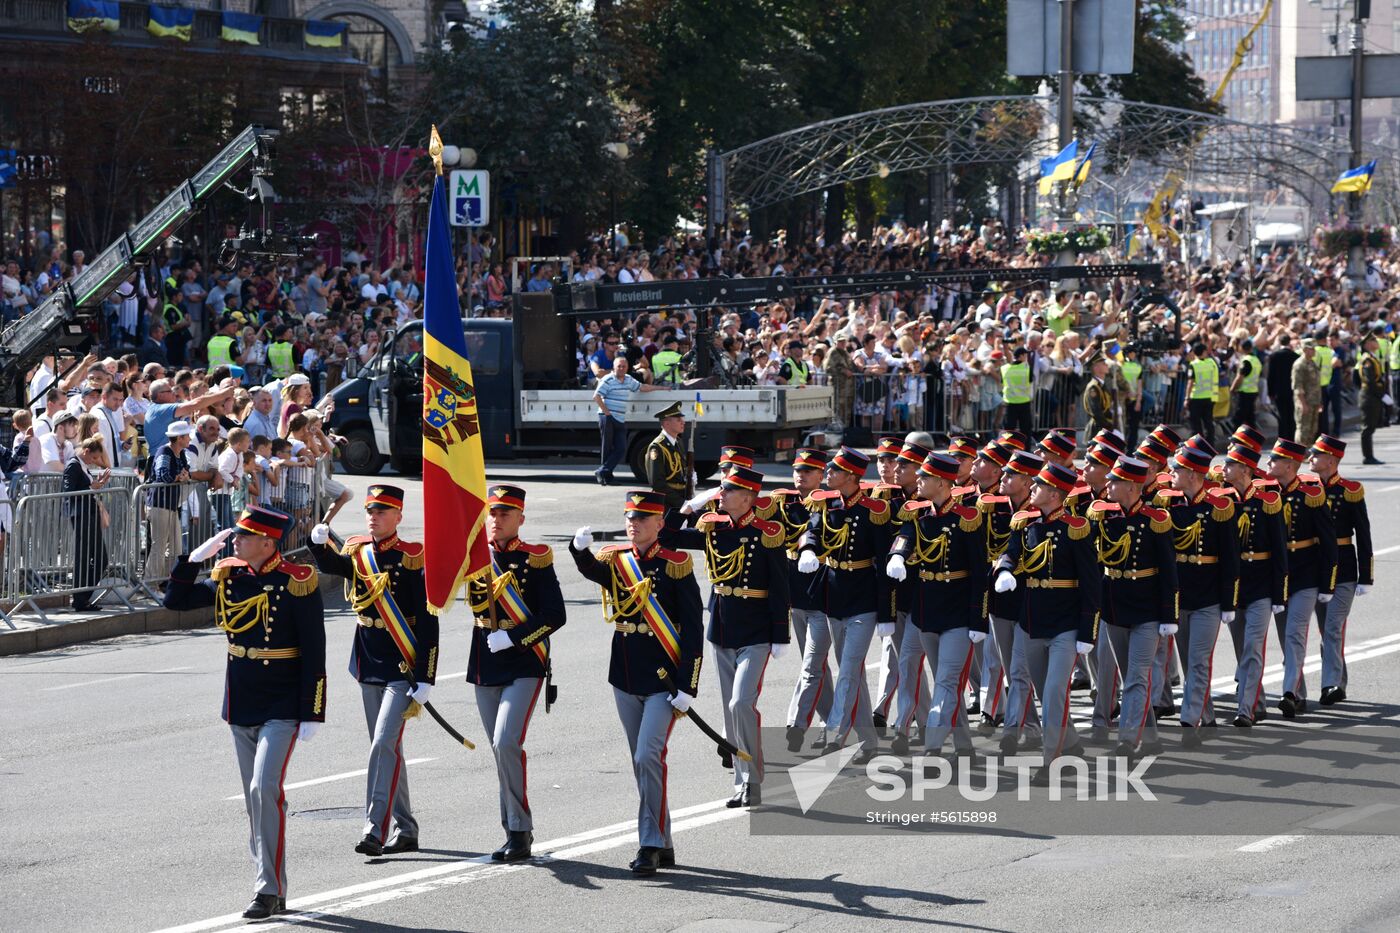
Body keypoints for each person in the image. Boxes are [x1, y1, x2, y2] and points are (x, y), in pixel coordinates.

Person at [163, 506, 325, 921]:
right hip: (243, 698)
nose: (235, 541)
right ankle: (275, 884)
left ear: (268, 542)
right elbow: (175, 602)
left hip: (283, 700)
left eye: (244, 536)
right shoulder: (230, 576)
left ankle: (266, 889)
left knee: (262, 788)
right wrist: (191, 562)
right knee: (258, 802)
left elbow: (314, 649)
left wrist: (313, 710)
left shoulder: (297, 582)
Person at [570, 491, 703, 876]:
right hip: (626, 674)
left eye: (643, 518)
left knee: (648, 756)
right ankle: (665, 841)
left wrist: (688, 684)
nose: (634, 523)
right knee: (642, 761)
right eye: (630, 517)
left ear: (660, 523)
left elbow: (693, 628)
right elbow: (595, 572)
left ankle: (649, 844)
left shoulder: (676, 564)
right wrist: (580, 553)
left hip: (665, 678)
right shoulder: (618, 561)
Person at [308, 485, 437, 858]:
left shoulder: (412, 556)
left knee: (383, 743)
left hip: (402, 662)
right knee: (386, 747)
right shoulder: (357, 551)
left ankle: (374, 829)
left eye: (382, 511)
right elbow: (335, 565)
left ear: (398, 516)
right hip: (368, 657)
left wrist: (427, 673)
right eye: (370, 510)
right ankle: (407, 828)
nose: (374, 516)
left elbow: (427, 620)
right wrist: (319, 545)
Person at [665, 466, 788, 807]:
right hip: (723, 627)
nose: (722, 495)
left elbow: (780, 587)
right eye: (721, 490)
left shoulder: (768, 533)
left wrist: (782, 634)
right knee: (729, 709)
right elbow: (667, 537)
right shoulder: (714, 531)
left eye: (729, 491)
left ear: (748, 497)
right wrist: (688, 508)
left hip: (757, 629)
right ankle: (741, 782)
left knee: (741, 703)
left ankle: (754, 778)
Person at [465, 484, 566, 862]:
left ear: (520, 518)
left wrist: (515, 638)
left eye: (505, 513)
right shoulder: (474, 558)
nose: (496, 519)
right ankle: (511, 829)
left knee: (507, 741)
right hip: (484, 662)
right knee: (498, 749)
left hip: (524, 662)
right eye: (492, 512)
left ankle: (521, 830)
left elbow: (556, 614)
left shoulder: (535, 558)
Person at [992, 462, 1099, 785]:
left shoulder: (1075, 528)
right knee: (1044, 691)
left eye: (1038, 486)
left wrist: (1087, 631)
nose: (1032, 490)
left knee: (1054, 692)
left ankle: (1051, 760)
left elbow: (1091, 584)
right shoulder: (1024, 524)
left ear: (1054, 493)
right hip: (1031, 621)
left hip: (1065, 623)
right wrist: (1005, 570)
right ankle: (1071, 743)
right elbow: (1010, 553)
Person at [885, 452, 989, 756]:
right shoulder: (919, 516)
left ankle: (932, 746)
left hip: (957, 614)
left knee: (946, 680)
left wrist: (979, 620)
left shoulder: (967, 520)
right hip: (925, 613)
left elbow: (979, 573)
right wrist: (897, 556)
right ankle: (963, 744)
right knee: (935, 678)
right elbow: (905, 537)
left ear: (942, 482)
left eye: (925, 477)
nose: (918, 480)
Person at [794, 447, 894, 761]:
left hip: (863, 599)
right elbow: (812, 531)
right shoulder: (827, 504)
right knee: (853, 675)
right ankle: (869, 741)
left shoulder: (874, 510)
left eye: (834, 471)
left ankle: (833, 735)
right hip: (834, 598)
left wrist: (887, 612)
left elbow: (883, 562)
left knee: (849, 670)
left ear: (851, 476)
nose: (827, 475)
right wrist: (809, 549)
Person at [1156, 442, 1239, 746]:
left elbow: (1230, 559)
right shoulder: (1169, 508)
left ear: (1192, 474)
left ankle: (1189, 721)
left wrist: (1229, 602)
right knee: (1191, 663)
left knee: (1200, 661)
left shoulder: (1219, 509)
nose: (1171, 473)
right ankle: (1207, 715)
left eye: (1176, 469)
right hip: (1180, 597)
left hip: (1208, 598)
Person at [1266, 438, 1337, 718]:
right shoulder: (1268, 495)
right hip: (1277, 576)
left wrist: (1328, 582)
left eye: (1274, 460)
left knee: (1295, 633)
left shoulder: (1310, 496)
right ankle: (1301, 694)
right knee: (1286, 638)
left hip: (1305, 574)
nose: (1269, 464)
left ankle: (1289, 693)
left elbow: (1329, 542)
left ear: (1290, 465)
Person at [775, 448, 835, 747]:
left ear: (821, 476)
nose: (801, 475)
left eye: (808, 471)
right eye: (798, 470)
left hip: (823, 596)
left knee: (812, 665)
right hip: (796, 597)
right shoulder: (783, 502)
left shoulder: (832, 505)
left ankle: (796, 724)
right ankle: (832, 721)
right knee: (815, 665)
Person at [1306, 435, 1371, 707]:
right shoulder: (1306, 490)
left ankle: (1330, 683)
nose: (1311, 459)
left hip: (1343, 568)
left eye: (1316, 455)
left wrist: (1366, 575)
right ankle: (1338, 680)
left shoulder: (1349, 491)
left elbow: (1363, 534)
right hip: (1315, 568)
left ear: (1331, 460)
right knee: (1325, 630)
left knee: (1333, 627)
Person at [591, 355, 663, 486]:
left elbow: (643, 387)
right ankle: (606, 476)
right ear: (614, 367)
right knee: (607, 447)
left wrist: (661, 388)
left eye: (624, 366)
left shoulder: (629, 380)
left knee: (621, 448)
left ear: (628, 368)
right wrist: (607, 413)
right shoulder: (608, 379)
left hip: (620, 418)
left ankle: (603, 471)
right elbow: (596, 396)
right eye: (619, 366)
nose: (621, 368)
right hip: (607, 417)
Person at [63, 437, 112, 611]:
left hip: (89, 515)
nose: (94, 461)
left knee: (100, 558)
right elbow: (68, 492)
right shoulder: (73, 465)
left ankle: (83, 596)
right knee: (84, 558)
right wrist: (92, 487)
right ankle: (80, 598)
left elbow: (87, 487)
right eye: (93, 458)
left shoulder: (81, 466)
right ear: (86, 452)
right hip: (81, 515)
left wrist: (95, 484)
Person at [146, 421, 195, 583]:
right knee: (158, 547)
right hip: (159, 505)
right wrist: (179, 477)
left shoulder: (180, 453)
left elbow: (186, 471)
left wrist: (183, 476)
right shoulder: (164, 452)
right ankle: (151, 585)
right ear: (179, 438)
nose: (189, 439)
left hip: (171, 506)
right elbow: (163, 476)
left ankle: (164, 581)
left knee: (176, 548)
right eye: (187, 436)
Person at [645, 401, 688, 509]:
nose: (683, 422)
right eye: (678, 420)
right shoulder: (657, 447)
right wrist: (681, 503)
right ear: (666, 423)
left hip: (680, 498)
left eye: (682, 419)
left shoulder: (678, 442)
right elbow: (658, 484)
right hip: (666, 503)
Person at [1356, 331, 1387, 464]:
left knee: (1371, 427)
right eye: (1374, 340)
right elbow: (1370, 381)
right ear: (1368, 344)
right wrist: (1382, 394)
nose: (1377, 342)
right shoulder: (1367, 360)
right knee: (1367, 428)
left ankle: (1369, 455)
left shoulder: (1372, 358)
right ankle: (1368, 457)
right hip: (1369, 396)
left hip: (1372, 395)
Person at [1184, 342, 1217, 449]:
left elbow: (1190, 383)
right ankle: (1210, 446)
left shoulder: (1194, 365)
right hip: (1209, 397)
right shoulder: (1211, 363)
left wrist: (1186, 397)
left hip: (1196, 398)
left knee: (1196, 424)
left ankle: (1197, 446)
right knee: (1208, 423)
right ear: (1203, 352)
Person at [1266, 334, 1299, 442]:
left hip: (1279, 391)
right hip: (1292, 390)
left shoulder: (1274, 356)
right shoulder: (1295, 356)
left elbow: (1271, 376)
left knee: (1282, 416)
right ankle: (1291, 439)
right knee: (1291, 415)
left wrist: (1270, 392)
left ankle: (1283, 440)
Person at [1291, 339, 1322, 447]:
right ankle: (1299, 452)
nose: (1314, 351)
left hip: (1314, 401)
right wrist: (1303, 404)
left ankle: (1307, 450)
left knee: (1313, 428)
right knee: (1303, 428)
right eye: (1311, 349)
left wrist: (1319, 401)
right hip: (1305, 401)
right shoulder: (1299, 364)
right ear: (1304, 349)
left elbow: (1316, 384)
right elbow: (1297, 386)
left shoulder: (1312, 362)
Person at [1229, 338, 1261, 429]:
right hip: (1253, 391)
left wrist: (1232, 389)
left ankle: (1236, 441)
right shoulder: (1256, 360)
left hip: (1244, 393)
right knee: (1250, 419)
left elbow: (1239, 377)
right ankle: (1252, 440)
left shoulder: (1246, 361)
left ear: (1242, 348)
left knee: (1238, 418)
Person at [1081, 352, 1115, 434]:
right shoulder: (1093, 387)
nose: (1107, 365)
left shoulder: (1102, 385)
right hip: (1097, 429)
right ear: (1096, 368)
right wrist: (1108, 426)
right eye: (1104, 364)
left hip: (1104, 428)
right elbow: (1096, 412)